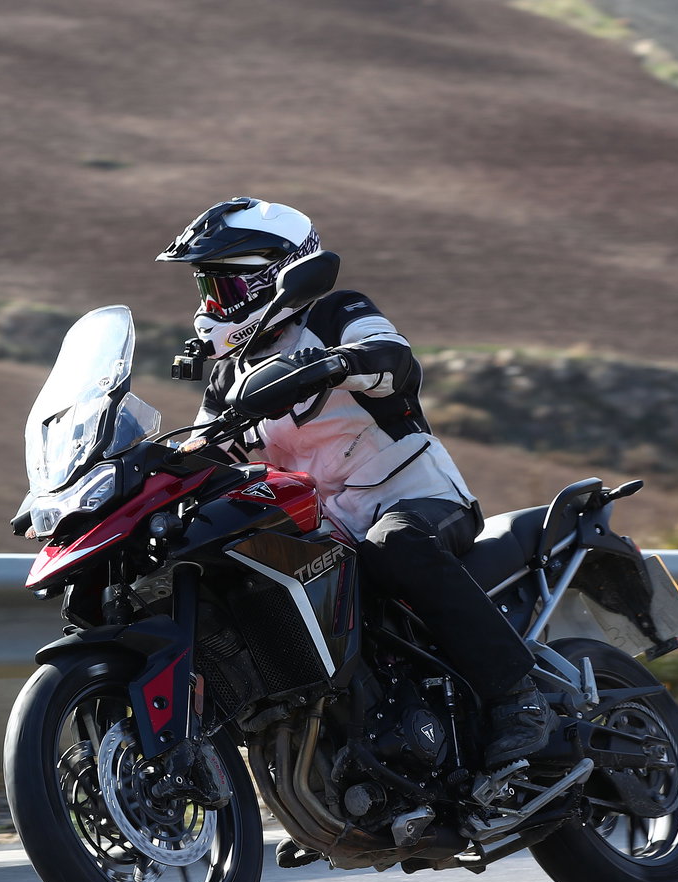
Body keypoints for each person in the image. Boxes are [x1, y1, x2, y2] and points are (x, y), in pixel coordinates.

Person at [157, 197, 552, 767]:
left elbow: (393, 359)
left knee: (394, 547)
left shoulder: (336, 314)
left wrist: (331, 365)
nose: (212, 306)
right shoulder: (226, 377)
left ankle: (519, 698)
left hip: (414, 496)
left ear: (278, 278)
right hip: (325, 526)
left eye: (225, 289)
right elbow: (203, 451)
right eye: (206, 289)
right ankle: (320, 763)